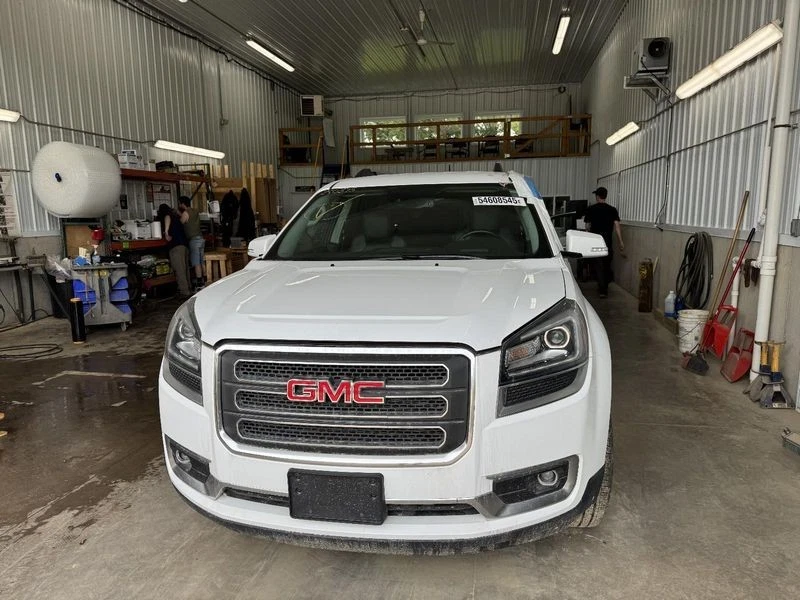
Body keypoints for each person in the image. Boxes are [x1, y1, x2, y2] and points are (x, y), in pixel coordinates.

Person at [583, 187, 624, 298]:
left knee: (598, 264)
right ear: (605, 196)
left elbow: (587, 226)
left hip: (596, 239)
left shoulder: (591, 209)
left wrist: (587, 237)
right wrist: (620, 241)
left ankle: (602, 289)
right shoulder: (612, 210)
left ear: (597, 196)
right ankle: (604, 286)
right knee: (606, 262)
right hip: (607, 239)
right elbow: (617, 226)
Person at [157, 203, 191, 297]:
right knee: (185, 269)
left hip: (176, 246)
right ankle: (188, 289)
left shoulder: (168, 216)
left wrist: (166, 232)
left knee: (179, 270)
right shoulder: (176, 216)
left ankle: (184, 292)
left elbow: (167, 217)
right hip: (184, 245)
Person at [178, 196, 205, 290]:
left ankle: (199, 284)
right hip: (201, 238)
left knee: (196, 262)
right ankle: (205, 280)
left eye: (180, 203)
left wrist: (178, 215)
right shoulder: (195, 211)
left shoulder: (185, 213)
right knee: (201, 261)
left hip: (194, 240)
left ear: (182, 204)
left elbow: (180, 223)